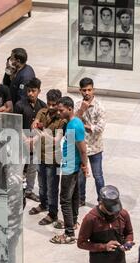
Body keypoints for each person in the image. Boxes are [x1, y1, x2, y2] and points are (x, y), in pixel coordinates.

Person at [77, 185, 134, 263]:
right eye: (110, 210)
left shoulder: (123, 214)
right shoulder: (91, 219)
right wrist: (104, 247)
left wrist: (128, 242)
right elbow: (81, 243)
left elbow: (129, 232)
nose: (114, 213)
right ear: (101, 203)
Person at [50, 96, 88, 244]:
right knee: (73, 196)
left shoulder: (74, 126)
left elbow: (83, 149)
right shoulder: (73, 122)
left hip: (70, 167)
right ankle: (72, 222)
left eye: (61, 110)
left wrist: (85, 166)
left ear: (70, 109)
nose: (58, 113)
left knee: (65, 200)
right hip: (71, 164)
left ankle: (69, 233)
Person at [29, 89, 66, 225]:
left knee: (52, 186)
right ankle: (43, 204)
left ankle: (53, 213)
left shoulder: (62, 119)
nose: (50, 107)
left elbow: (57, 139)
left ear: (59, 103)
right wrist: (36, 127)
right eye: (49, 104)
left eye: (54, 105)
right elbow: (34, 126)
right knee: (42, 183)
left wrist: (44, 134)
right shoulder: (42, 112)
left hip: (53, 158)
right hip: (40, 154)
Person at [14, 78, 47, 202]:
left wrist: (36, 139)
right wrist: (25, 140)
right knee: (18, 168)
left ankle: (29, 191)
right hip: (21, 144)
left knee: (32, 169)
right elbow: (16, 124)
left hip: (36, 144)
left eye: (33, 91)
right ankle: (16, 191)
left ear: (39, 91)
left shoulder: (43, 106)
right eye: (28, 91)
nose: (30, 94)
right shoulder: (19, 105)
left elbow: (44, 126)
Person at [75, 77, 106, 207]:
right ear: (80, 91)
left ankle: (102, 200)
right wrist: (82, 110)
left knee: (98, 176)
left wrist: (85, 126)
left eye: (89, 90)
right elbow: (73, 122)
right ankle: (81, 199)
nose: (87, 93)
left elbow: (99, 128)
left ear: (93, 90)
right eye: (84, 90)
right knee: (81, 177)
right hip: (81, 148)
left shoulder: (99, 107)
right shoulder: (77, 106)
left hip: (95, 148)